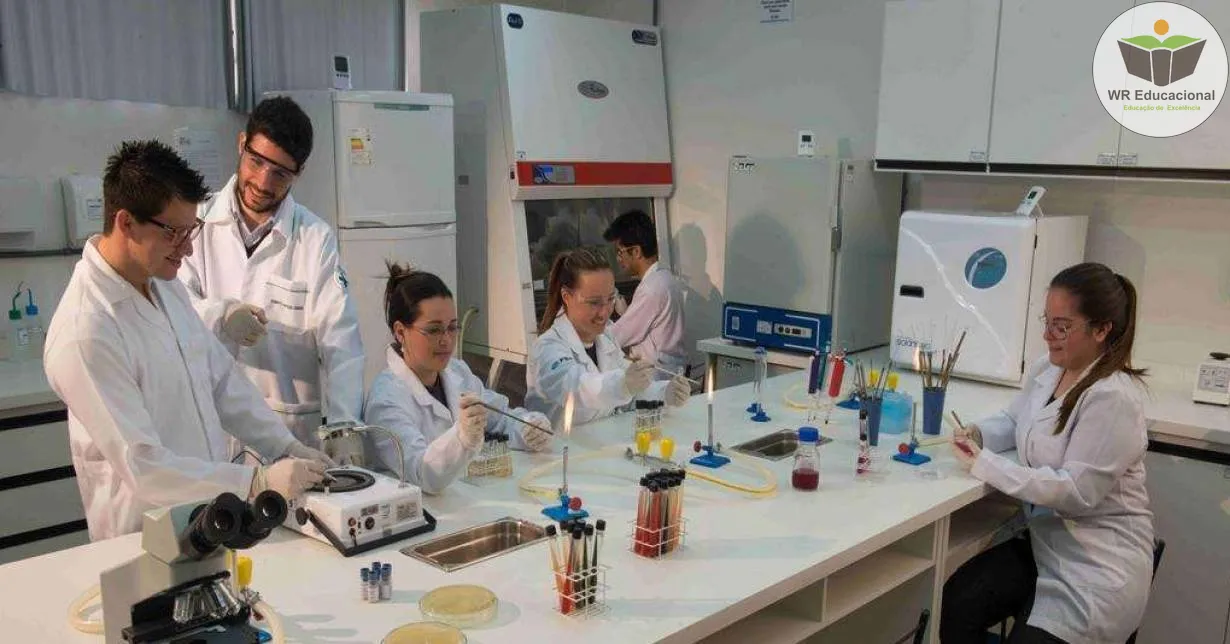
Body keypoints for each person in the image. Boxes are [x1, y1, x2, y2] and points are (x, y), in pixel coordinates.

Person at [44, 140, 334, 540]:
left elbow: (221, 380)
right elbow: (144, 467)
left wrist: (285, 446)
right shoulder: (87, 329)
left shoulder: (162, 284)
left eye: (191, 230)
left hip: (209, 519)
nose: (189, 247)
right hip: (142, 537)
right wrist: (256, 481)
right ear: (126, 223)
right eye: (174, 233)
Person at [941, 263, 1154, 644]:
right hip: (1046, 542)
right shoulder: (1050, 369)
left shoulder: (1114, 397)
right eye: (1047, 322)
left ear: (1102, 329)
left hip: (1096, 565)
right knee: (958, 603)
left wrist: (984, 464)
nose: (1047, 335)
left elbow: (1075, 491)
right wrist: (978, 434)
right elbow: (1015, 419)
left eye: (1062, 326)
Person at [178, 96, 363, 451]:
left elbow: (341, 342)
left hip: (287, 430)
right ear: (241, 144)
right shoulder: (196, 221)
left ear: (299, 173)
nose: (263, 182)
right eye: (256, 161)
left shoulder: (314, 238)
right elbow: (173, 307)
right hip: (211, 425)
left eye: (280, 173)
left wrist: (345, 428)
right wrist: (220, 315)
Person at [362, 264, 554, 494]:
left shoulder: (456, 372)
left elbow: (500, 417)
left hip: (464, 499)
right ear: (401, 332)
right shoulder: (386, 401)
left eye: (452, 328)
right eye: (434, 330)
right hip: (421, 510)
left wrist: (527, 428)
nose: (446, 340)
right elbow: (422, 473)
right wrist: (461, 439)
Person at [526, 248, 691, 427]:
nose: (604, 312)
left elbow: (630, 394)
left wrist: (664, 392)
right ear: (566, 297)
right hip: (560, 443)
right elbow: (576, 387)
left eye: (611, 298)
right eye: (594, 302)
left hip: (603, 439)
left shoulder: (605, 338)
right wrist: (621, 385)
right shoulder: (547, 348)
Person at [603, 210, 687, 378]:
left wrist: (586, 333)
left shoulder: (651, 288)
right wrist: (626, 313)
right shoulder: (665, 277)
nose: (618, 259)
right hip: (666, 371)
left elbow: (618, 336)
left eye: (620, 252)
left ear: (636, 251)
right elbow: (649, 326)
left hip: (655, 376)